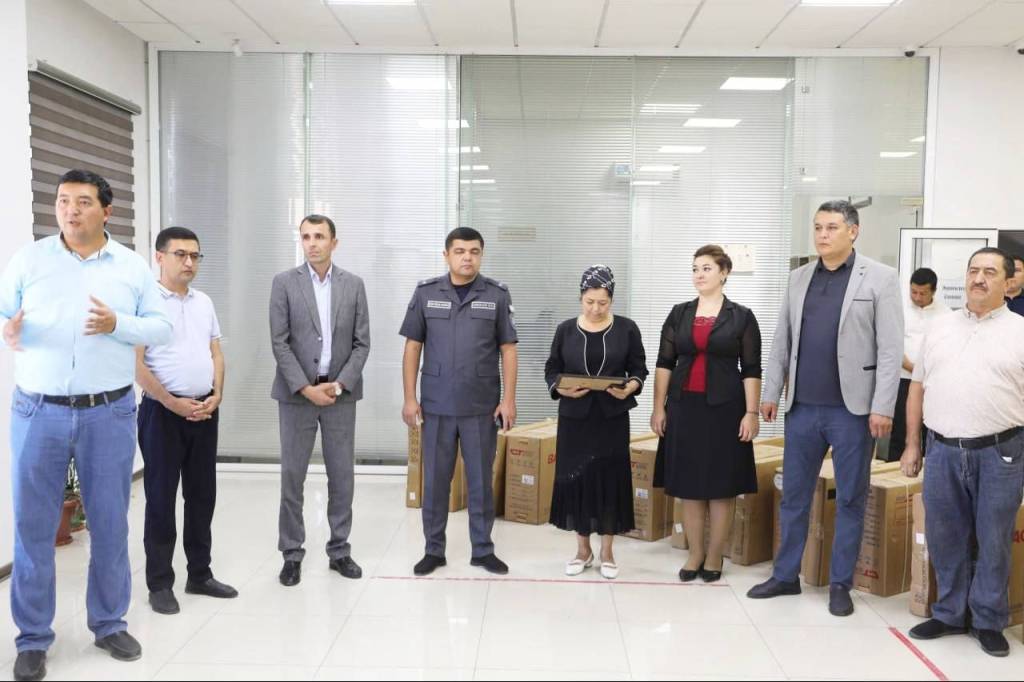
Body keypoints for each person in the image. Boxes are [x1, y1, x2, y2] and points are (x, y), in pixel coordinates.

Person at [0, 169, 172, 681]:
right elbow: (3, 312)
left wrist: (119, 325)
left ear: (106, 211)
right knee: (32, 528)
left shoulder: (130, 267)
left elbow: (161, 327)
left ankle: (109, 623)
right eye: (63, 201)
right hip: (38, 411)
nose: (70, 210)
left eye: (82, 201)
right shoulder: (29, 260)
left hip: (108, 412)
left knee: (110, 521)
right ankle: (33, 638)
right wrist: (7, 327)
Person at [748, 200, 903, 618]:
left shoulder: (881, 278)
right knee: (794, 497)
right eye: (818, 227)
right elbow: (782, 340)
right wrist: (770, 392)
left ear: (853, 231)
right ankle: (785, 575)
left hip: (853, 412)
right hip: (802, 408)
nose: (822, 235)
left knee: (850, 498)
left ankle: (840, 583)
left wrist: (883, 406)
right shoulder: (799, 277)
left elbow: (891, 350)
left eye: (832, 227)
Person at [901, 247, 1024, 658]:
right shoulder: (941, 327)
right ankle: (950, 613)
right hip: (942, 450)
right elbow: (917, 388)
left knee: (994, 539)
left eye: (990, 271)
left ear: (1008, 282)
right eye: (973, 270)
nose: (979, 278)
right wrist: (912, 444)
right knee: (945, 535)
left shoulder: (1020, 331)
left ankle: (988, 620)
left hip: (1001, 453)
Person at [399, 227, 518, 577]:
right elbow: (412, 347)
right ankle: (433, 550)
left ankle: (483, 550)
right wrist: (410, 398)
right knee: (436, 482)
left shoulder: (496, 295)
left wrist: (509, 400)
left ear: (481, 255)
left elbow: (508, 350)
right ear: (446, 255)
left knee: (480, 483)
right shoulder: (426, 293)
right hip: (436, 406)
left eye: (474, 251)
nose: (467, 257)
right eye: (460, 251)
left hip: (481, 406)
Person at [134, 226, 237, 615]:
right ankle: (160, 583)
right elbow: (136, 363)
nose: (189, 262)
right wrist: (171, 401)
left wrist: (217, 394)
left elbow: (216, 353)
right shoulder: (144, 302)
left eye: (195, 255)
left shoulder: (203, 302)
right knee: (161, 498)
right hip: (162, 414)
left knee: (202, 496)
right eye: (181, 254)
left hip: (204, 411)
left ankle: (200, 574)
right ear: (159, 257)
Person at [269, 214, 370, 587]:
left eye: (319, 236)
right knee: (292, 477)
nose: (312, 243)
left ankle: (339, 550)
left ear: (334, 242)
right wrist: (305, 387)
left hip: (339, 395)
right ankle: (291, 554)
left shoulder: (353, 285)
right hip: (297, 396)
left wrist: (340, 385)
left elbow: (362, 343)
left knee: (341, 475)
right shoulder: (284, 283)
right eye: (306, 236)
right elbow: (279, 342)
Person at [651, 245, 761, 583]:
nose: (699, 274)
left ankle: (715, 555)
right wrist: (658, 407)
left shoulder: (741, 317)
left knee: (720, 486)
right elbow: (664, 363)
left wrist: (752, 412)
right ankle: (695, 552)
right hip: (684, 407)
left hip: (726, 410)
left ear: (724, 272)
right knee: (689, 485)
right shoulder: (679, 314)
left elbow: (752, 368)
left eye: (707, 268)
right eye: (695, 269)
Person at [544, 265, 648, 580]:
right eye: (589, 302)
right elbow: (552, 369)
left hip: (611, 418)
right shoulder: (565, 330)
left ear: (611, 300)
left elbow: (639, 368)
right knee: (577, 479)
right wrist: (560, 388)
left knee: (609, 479)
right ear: (581, 297)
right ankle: (582, 550)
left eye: (603, 303)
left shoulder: (627, 329)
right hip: (574, 419)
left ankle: (607, 551)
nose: (595, 309)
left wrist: (631, 386)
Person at [885, 267, 948, 461]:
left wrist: (921, 370)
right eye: (913, 292)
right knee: (900, 429)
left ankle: (928, 473)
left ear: (933, 291)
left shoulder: (946, 315)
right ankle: (895, 472)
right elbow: (889, 341)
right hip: (903, 379)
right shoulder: (898, 309)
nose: (917, 297)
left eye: (923, 293)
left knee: (930, 429)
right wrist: (909, 366)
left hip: (932, 382)